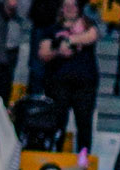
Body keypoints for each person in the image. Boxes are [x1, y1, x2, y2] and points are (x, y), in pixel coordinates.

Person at [37, 0, 100, 155]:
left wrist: (68, 40)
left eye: (73, 6)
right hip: (58, 82)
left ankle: (83, 158)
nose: (70, 9)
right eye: (67, 5)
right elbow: (42, 53)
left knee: (84, 123)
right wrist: (59, 51)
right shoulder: (52, 29)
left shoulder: (88, 26)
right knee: (57, 121)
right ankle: (55, 153)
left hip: (84, 83)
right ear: (61, 8)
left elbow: (92, 36)